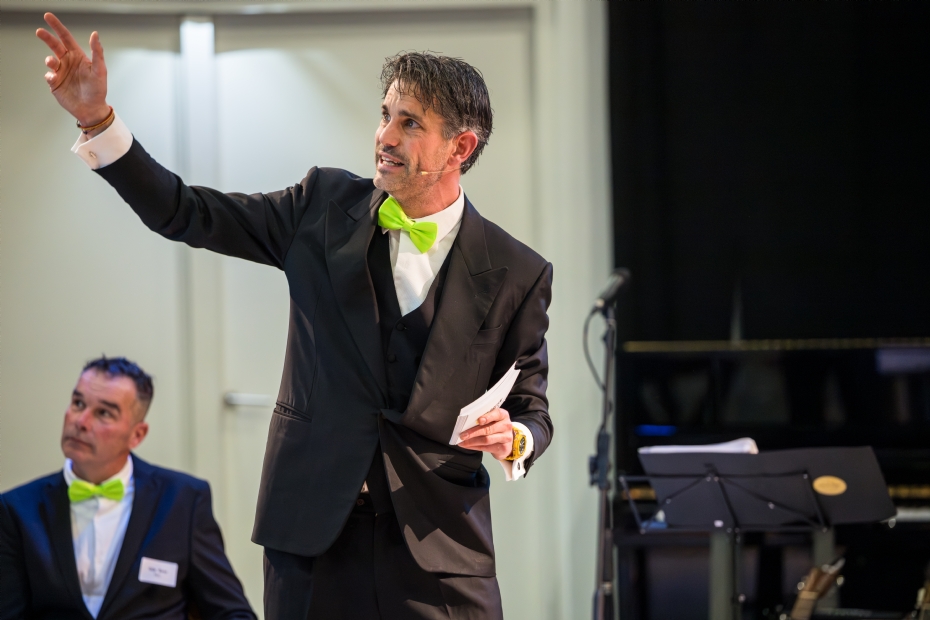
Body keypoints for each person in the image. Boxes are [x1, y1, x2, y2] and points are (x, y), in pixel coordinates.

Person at [35, 12, 553, 619]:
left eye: (409, 122)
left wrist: (515, 437)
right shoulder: (321, 206)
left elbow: (533, 408)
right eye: (385, 114)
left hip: (440, 548)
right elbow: (186, 211)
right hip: (312, 538)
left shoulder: (518, 271)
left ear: (460, 147)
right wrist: (98, 121)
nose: (385, 136)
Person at [0, 356, 256, 619]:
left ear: (137, 435)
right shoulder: (17, 509)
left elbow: (233, 612)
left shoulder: (183, 501)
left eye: (104, 413)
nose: (81, 421)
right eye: (78, 404)